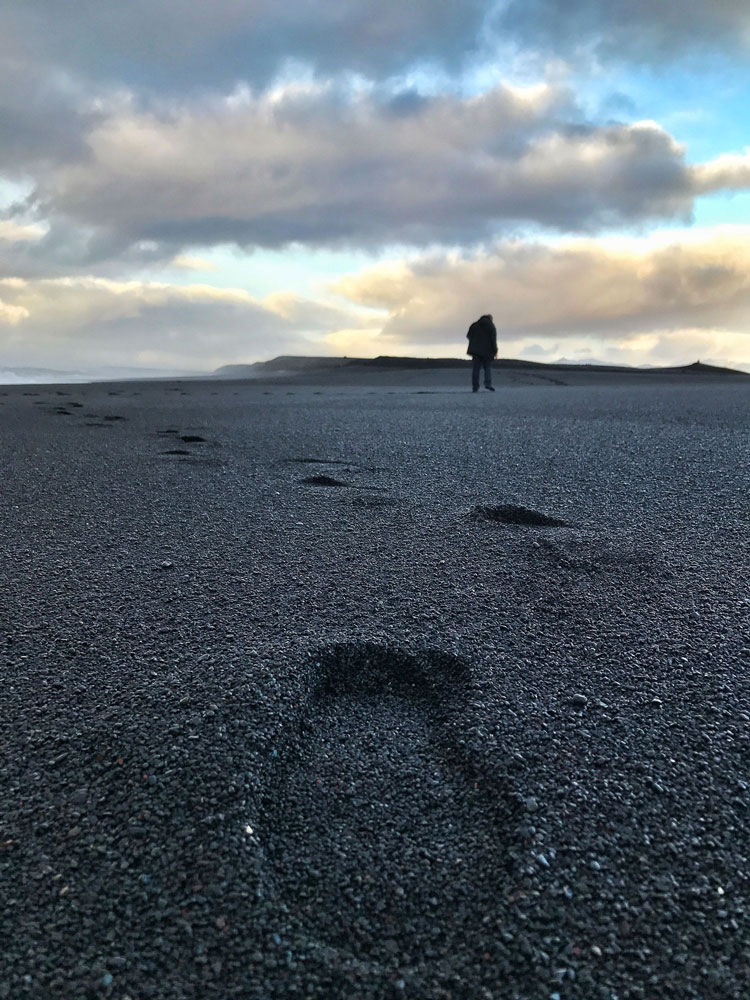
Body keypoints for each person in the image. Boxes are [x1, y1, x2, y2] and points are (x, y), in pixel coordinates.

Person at [466, 314, 497, 392]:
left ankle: (475, 387)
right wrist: (495, 350)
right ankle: (488, 384)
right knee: (487, 368)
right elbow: (493, 340)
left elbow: (468, 336)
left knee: (476, 369)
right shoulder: (491, 326)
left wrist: (475, 341)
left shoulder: (474, 325)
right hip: (488, 351)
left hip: (475, 351)